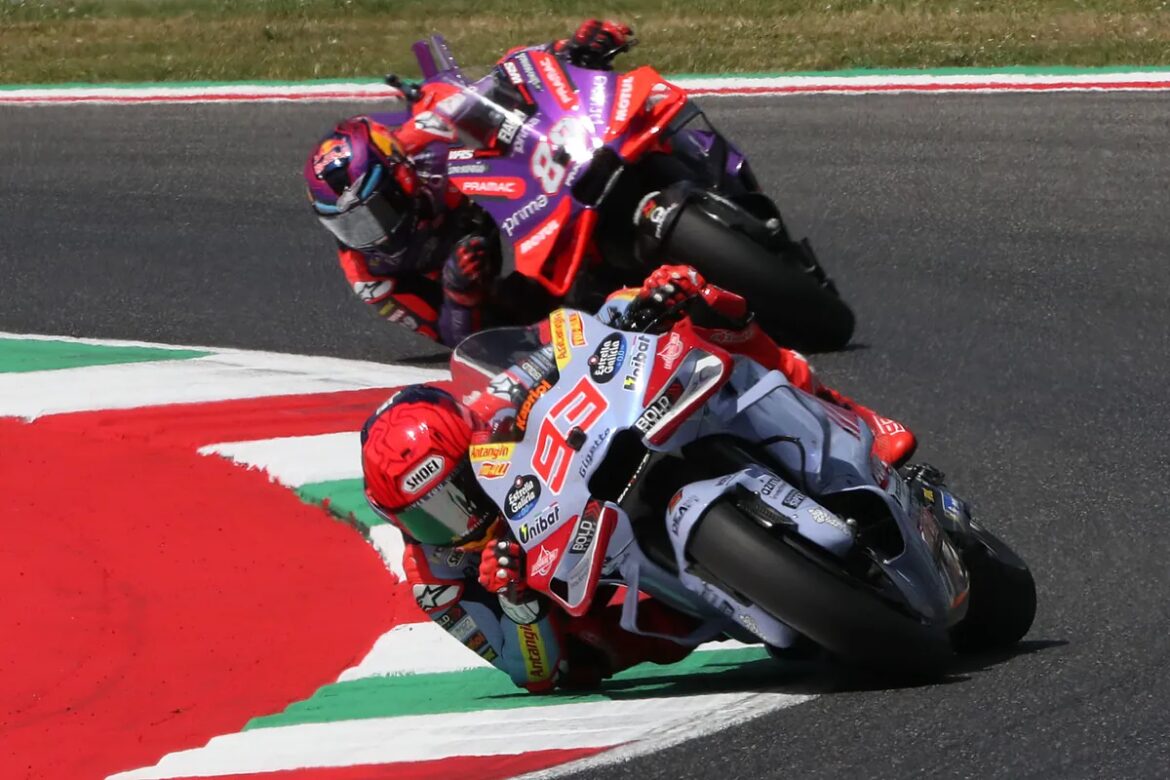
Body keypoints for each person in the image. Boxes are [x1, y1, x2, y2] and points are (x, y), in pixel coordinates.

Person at [359, 264, 915, 692]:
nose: (461, 519)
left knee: (703, 319)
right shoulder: (435, 581)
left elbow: (570, 333)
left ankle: (849, 414)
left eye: (459, 492)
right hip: (577, 580)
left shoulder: (493, 403)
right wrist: (517, 602)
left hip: (583, 476)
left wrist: (641, 301)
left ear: (473, 443)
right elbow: (528, 671)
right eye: (429, 516)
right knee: (584, 656)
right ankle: (730, 598)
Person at [303, 20, 635, 347]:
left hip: (522, 189)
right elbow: (454, 340)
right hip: (478, 264)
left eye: (372, 212)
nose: (368, 238)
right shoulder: (369, 276)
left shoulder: (427, 133)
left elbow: (507, 75)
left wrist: (570, 50)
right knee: (524, 324)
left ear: (398, 176)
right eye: (345, 226)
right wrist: (458, 295)